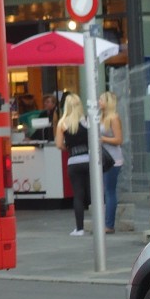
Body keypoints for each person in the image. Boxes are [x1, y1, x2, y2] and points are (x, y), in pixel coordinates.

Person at [55, 93, 92, 236]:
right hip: (89, 160)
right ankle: (100, 224)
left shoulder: (62, 123)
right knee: (93, 194)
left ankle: (79, 228)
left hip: (74, 161)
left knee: (78, 195)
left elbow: (59, 145)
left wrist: (70, 149)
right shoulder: (87, 121)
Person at [99, 90, 124, 232]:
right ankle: (107, 222)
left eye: (101, 100)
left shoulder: (113, 118)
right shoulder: (101, 117)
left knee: (109, 190)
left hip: (113, 159)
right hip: (103, 158)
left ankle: (109, 224)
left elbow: (119, 139)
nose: (99, 102)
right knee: (105, 190)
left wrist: (102, 139)